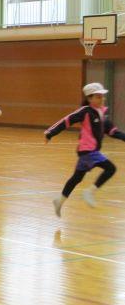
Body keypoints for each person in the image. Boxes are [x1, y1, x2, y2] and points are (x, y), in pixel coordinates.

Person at [45, 83, 125, 217]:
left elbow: (113, 132)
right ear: (89, 98)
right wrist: (50, 132)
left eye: (102, 96)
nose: (101, 99)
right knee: (110, 168)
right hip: (88, 151)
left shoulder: (102, 115)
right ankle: (89, 192)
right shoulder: (85, 111)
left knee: (77, 178)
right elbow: (67, 120)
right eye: (98, 96)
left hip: (89, 152)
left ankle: (60, 200)